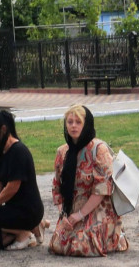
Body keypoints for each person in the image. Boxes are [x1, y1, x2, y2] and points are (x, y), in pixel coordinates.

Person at [50, 104, 128, 257]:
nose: (73, 126)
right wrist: (63, 215)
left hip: (96, 208)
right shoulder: (62, 152)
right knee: (58, 246)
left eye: (78, 122)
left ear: (86, 124)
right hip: (71, 208)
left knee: (82, 246)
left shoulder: (99, 150)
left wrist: (79, 215)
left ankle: (116, 235)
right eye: (70, 122)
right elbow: (57, 187)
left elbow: (102, 189)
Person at [0, 111, 45, 250]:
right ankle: (22, 231)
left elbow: (11, 189)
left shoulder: (19, 151)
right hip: (13, 208)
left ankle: (23, 231)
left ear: (3, 129)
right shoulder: (0, 153)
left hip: (27, 210)